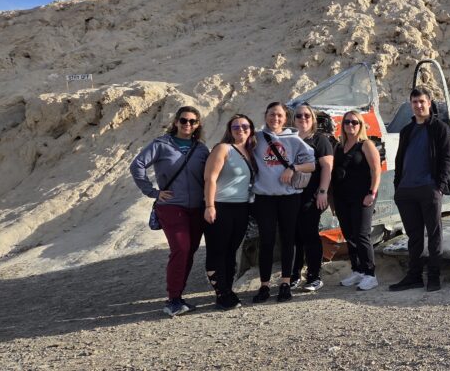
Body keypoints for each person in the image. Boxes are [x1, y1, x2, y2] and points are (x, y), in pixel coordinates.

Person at [130, 106, 210, 316]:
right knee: (181, 249)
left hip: (197, 207)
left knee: (190, 251)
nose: (187, 125)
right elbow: (137, 165)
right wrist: (152, 192)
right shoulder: (161, 144)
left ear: (197, 125)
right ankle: (172, 299)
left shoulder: (201, 149)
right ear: (175, 122)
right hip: (172, 206)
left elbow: (210, 175)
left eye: (192, 121)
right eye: (183, 120)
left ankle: (178, 296)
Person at [389, 87, 450, 292]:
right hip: (406, 190)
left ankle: (434, 277)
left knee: (434, 234)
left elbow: (447, 158)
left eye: (421, 102)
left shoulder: (439, 128)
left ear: (429, 102)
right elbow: (400, 160)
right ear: (411, 104)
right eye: (414, 102)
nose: (418, 105)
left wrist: (439, 187)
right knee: (414, 236)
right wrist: (398, 186)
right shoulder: (406, 131)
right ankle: (414, 276)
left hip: (429, 188)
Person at [251, 102, 315, 303]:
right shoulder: (256, 138)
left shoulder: (293, 139)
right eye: (272, 114)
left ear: (285, 118)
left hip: (288, 198)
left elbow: (311, 165)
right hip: (264, 198)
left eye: (279, 115)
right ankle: (264, 285)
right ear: (266, 115)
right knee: (267, 241)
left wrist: (293, 168)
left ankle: (286, 282)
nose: (275, 118)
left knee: (288, 239)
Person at [202, 114, 257, 310]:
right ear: (229, 129)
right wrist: (209, 206)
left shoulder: (251, 152)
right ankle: (221, 293)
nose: (240, 129)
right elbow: (210, 179)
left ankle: (228, 288)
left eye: (244, 126)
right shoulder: (223, 148)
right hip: (220, 206)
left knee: (231, 250)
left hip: (241, 207)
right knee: (217, 250)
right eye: (235, 126)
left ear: (250, 128)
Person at [332, 110, 382, 291]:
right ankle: (358, 269)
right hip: (342, 198)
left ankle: (370, 273)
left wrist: (372, 192)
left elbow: (376, 170)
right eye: (347, 122)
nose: (350, 125)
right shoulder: (339, 147)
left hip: (363, 197)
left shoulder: (366, 145)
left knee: (361, 234)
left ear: (361, 125)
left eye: (355, 122)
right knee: (349, 235)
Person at [289, 103, 333, 292]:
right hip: (290, 196)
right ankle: (294, 275)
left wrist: (323, 191)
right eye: (299, 116)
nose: (303, 119)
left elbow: (327, 167)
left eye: (307, 115)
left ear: (313, 119)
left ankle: (314, 276)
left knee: (309, 235)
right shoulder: (289, 139)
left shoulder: (320, 140)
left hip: (311, 195)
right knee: (293, 237)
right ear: (293, 119)